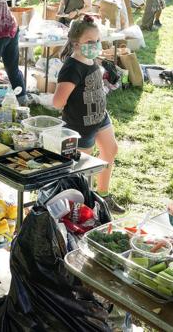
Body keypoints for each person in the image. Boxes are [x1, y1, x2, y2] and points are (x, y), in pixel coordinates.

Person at [52, 17, 122, 213]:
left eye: (98, 40)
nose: (96, 45)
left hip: (100, 117)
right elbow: (58, 102)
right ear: (76, 43)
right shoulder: (72, 68)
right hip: (80, 125)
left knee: (110, 150)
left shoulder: (90, 59)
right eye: (90, 41)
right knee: (82, 171)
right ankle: (80, 208)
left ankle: (103, 196)